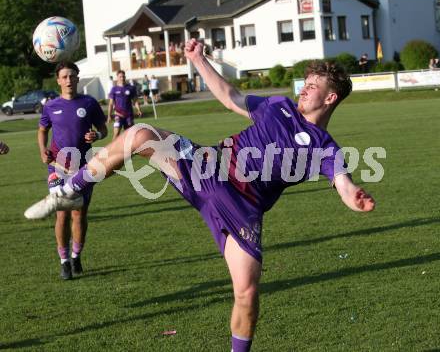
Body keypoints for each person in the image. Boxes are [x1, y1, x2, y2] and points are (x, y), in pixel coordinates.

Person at [25, 39, 375, 351]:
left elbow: (342, 181)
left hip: (243, 212)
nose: (304, 88)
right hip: (206, 168)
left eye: (313, 86)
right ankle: (71, 188)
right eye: (306, 82)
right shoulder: (278, 105)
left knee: (247, 295)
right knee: (140, 135)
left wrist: (354, 196)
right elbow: (231, 96)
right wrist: (198, 60)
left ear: (330, 98)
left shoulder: (325, 147)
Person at [36, 61, 107, 280]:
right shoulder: (50, 106)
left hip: (85, 167)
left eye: (72, 76)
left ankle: (76, 255)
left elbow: (103, 129)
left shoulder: (89, 102)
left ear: (77, 78)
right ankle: (64, 261)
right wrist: (42, 150)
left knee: (79, 214)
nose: (68, 80)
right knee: (62, 213)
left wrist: (98, 136)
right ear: (58, 80)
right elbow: (42, 130)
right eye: (64, 77)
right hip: (58, 166)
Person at [107, 70, 142, 139]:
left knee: (129, 135)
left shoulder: (131, 88)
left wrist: (139, 110)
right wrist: (109, 115)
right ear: (117, 77)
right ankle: (113, 149)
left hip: (129, 115)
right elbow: (111, 104)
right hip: (118, 114)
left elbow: (135, 101)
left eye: (123, 76)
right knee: (116, 133)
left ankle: (126, 149)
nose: (122, 78)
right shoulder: (114, 89)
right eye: (120, 77)